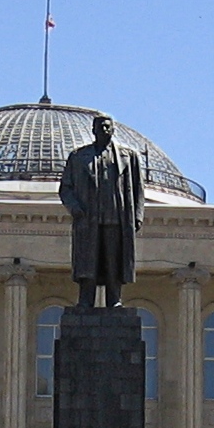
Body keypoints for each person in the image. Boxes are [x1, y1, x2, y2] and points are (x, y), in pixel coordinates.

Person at [58, 114, 144, 307]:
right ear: (93, 130)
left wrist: (137, 216)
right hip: (88, 219)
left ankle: (114, 301)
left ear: (113, 130)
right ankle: (85, 302)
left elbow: (138, 189)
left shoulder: (128, 157)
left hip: (116, 218)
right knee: (88, 263)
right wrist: (75, 208)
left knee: (114, 262)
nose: (105, 129)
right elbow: (65, 188)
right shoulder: (78, 157)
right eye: (101, 127)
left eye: (108, 126)